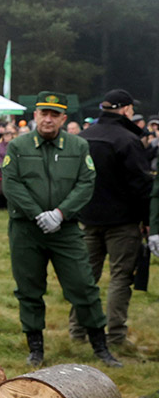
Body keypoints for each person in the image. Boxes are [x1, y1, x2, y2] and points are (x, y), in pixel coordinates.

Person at [1, 92, 120, 367]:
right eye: (44, 113)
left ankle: (100, 347)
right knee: (29, 289)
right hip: (26, 230)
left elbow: (86, 183)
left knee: (83, 286)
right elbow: (12, 183)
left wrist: (60, 213)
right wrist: (37, 213)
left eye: (55, 114)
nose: (48, 119)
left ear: (64, 118)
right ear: (35, 115)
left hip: (65, 230)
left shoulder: (78, 146)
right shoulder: (18, 146)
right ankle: (35, 348)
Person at [70, 89, 152, 354]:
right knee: (120, 277)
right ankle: (115, 334)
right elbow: (141, 184)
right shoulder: (128, 140)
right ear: (126, 109)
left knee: (86, 277)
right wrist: (147, 219)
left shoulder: (82, 137)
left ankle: (77, 331)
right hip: (123, 220)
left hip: (88, 217)